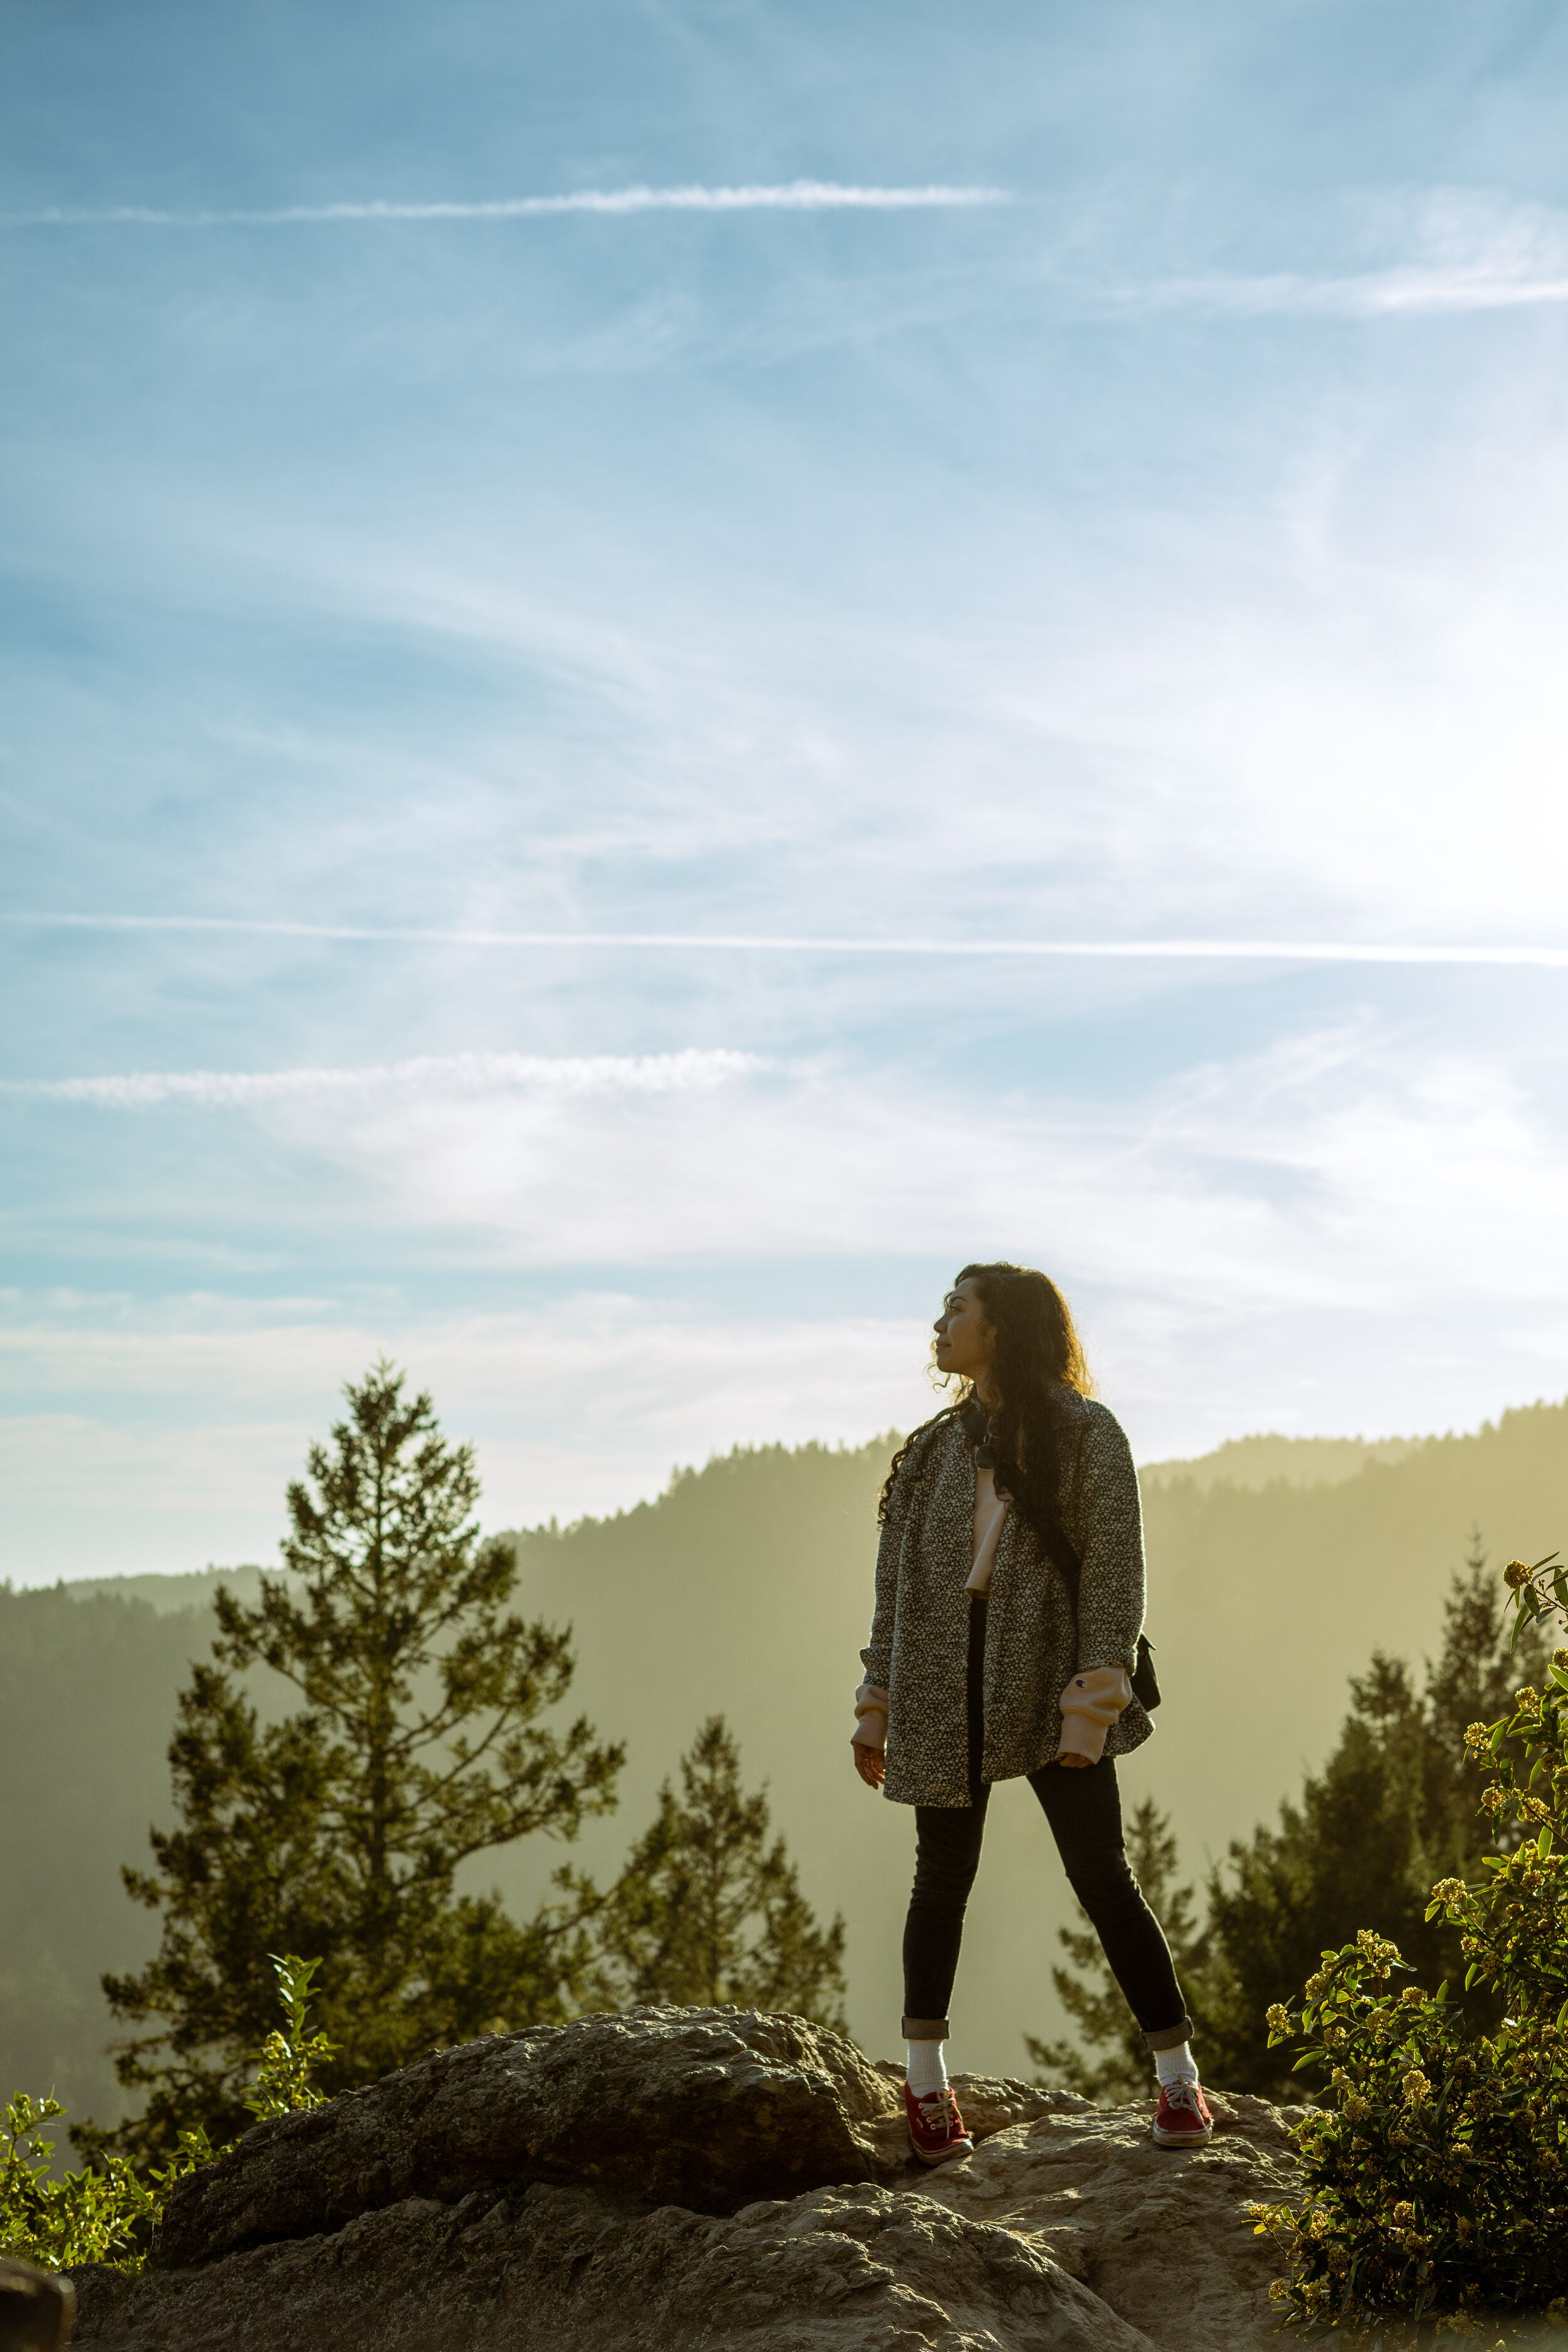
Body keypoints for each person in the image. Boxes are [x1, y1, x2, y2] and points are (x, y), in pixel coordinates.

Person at [851, 1261, 1209, 2164]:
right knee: (941, 1884)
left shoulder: (1087, 1435)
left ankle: (1178, 2080)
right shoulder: (933, 1449)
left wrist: (1092, 1705)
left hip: (1052, 1683)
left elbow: (1114, 1578)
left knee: (1104, 1878)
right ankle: (926, 2085)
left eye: (957, 1308)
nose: (941, 1321)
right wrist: (877, 1703)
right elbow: (893, 1590)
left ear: (1002, 1325)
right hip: (942, 1690)